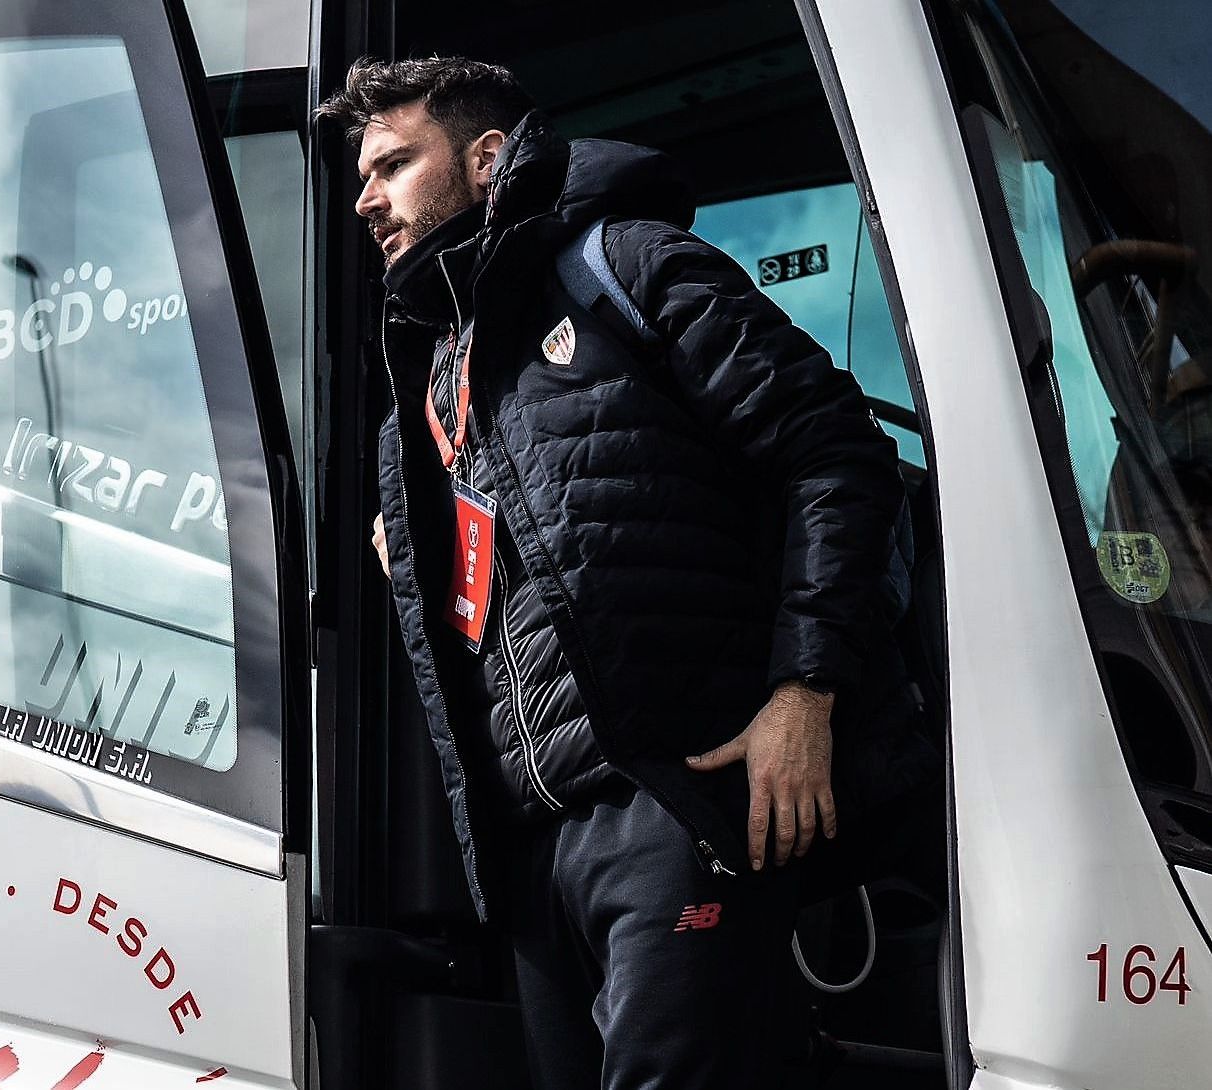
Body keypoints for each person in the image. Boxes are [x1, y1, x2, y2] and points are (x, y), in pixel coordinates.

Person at [316, 56, 932, 1088]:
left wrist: (804, 693)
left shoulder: (623, 266)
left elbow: (837, 457)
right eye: (363, 175)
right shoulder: (425, 392)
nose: (364, 200)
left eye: (393, 165)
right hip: (537, 851)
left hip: (677, 801)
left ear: (485, 157)